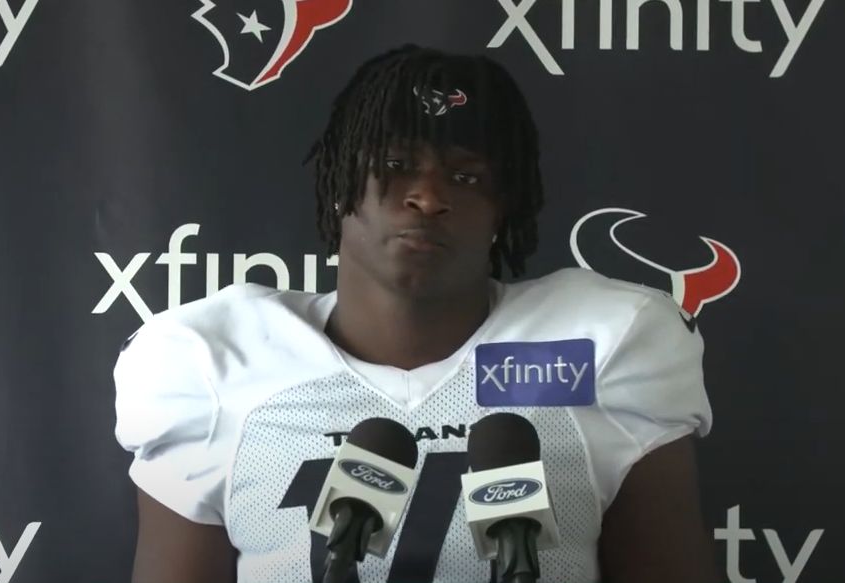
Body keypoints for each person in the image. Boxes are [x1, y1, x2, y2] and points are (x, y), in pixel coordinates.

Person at [113, 44, 720, 583]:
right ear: (339, 182)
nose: (428, 197)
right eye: (396, 165)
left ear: (502, 207)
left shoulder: (603, 345)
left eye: (466, 176)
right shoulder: (213, 364)